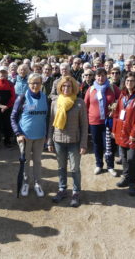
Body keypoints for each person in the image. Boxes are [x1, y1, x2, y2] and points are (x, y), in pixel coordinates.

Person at [48, 76, 88, 207]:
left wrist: (83, 144)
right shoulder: (55, 102)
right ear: (60, 87)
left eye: (69, 86)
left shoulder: (80, 103)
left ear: (74, 88)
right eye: (63, 86)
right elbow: (51, 124)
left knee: (75, 168)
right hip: (58, 140)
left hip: (74, 141)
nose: (66, 88)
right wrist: (49, 141)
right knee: (61, 167)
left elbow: (84, 126)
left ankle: (76, 192)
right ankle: (62, 189)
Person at [112, 72, 135, 196]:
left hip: (133, 134)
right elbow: (116, 115)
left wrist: (134, 133)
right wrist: (114, 130)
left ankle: (132, 182)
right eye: (127, 80)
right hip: (121, 132)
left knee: (132, 159)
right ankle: (126, 177)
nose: (129, 83)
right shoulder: (122, 96)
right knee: (123, 157)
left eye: (132, 81)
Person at [11, 73, 48, 197]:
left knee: (37, 161)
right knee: (26, 161)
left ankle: (38, 183)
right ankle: (26, 183)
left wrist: (47, 134)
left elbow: (46, 117)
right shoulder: (22, 98)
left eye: (38, 83)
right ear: (28, 84)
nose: (35, 85)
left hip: (40, 136)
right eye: (32, 83)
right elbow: (13, 117)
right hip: (25, 137)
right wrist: (18, 133)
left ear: (41, 84)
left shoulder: (44, 97)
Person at [85, 68, 120, 177]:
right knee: (97, 144)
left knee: (109, 145)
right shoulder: (91, 89)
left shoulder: (113, 88)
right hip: (94, 122)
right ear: (95, 77)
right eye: (98, 75)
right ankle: (99, 164)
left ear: (106, 76)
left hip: (108, 122)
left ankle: (110, 166)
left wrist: (114, 110)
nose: (100, 78)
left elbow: (121, 101)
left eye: (103, 75)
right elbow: (86, 105)